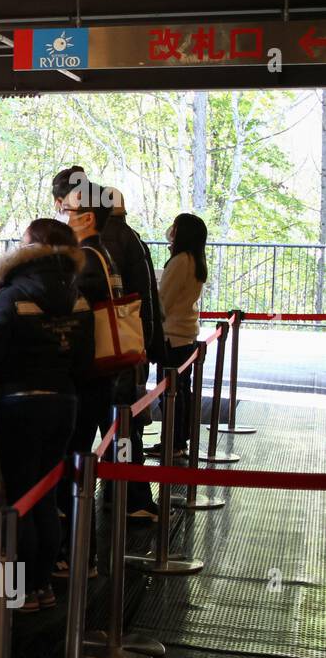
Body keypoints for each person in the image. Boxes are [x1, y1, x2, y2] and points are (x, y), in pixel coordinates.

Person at [0, 218, 93, 612]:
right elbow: (85, 363)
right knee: (45, 495)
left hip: (18, 405)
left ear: (32, 247)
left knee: (16, 498)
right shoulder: (79, 297)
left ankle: (16, 591)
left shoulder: (11, 295)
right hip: (64, 405)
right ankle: (41, 585)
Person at [51, 165, 122, 579]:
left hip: (83, 379)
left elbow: (72, 318)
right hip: (100, 376)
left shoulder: (85, 260)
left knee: (71, 468)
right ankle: (81, 554)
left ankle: (71, 556)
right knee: (80, 465)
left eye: (69, 209)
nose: (63, 213)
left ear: (87, 217)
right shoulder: (103, 255)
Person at [99, 186, 164, 521]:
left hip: (113, 350)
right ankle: (125, 492)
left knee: (122, 424)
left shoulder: (103, 242)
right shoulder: (131, 237)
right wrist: (152, 341)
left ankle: (130, 496)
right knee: (127, 425)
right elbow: (148, 296)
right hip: (131, 344)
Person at [155, 213, 208, 458]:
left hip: (172, 336)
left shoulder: (179, 261)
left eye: (175, 226)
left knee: (170, 394)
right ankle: (178, 441)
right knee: (183, 392)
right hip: (186, 334)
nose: (171, 230)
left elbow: (163, 299)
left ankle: (172, 442)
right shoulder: (195, 260)